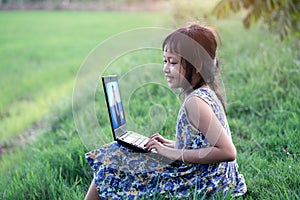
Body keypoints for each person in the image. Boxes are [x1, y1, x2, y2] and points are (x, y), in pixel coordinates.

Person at [84, 23, 247, 199]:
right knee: (120, 152)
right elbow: (201, 144)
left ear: (197, 64)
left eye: (173, 62)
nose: (165, 68)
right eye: (165, 61)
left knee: (113, 158)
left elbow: (227, 152)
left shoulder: (195, 102)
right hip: (217, 178)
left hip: (204, 182)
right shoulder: (206, 92)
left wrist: (171, 153)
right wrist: (169, 144)